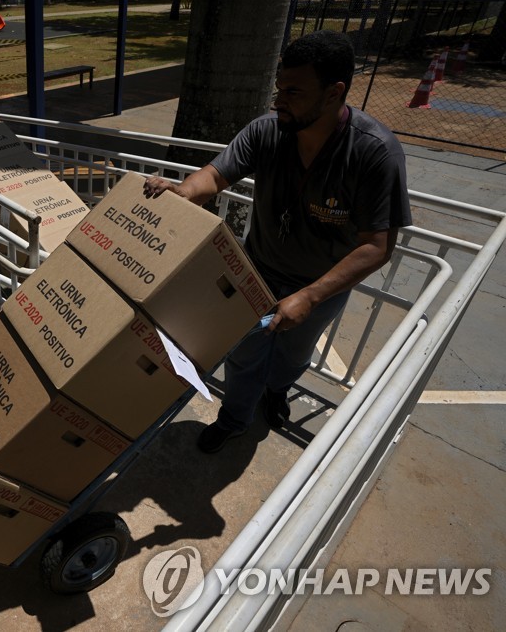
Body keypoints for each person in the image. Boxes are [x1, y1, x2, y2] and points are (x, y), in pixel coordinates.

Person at [143, 30, 412, 454]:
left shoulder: (374, 153)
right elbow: (214, 175)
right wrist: (184, 192)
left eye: (293, 91)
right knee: (243, 354)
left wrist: (310, 295)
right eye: (278, 88)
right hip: (258, 272)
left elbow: (377, 245)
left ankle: (278, 391)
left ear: (333, 93)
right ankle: (234, 419)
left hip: (322, 286)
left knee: (292, 355)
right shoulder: (268, 131)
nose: (279, 99)